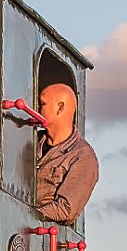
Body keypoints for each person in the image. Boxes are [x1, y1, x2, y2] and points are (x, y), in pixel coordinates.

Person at [33, 82, 98, 225]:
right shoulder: (30, 140)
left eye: (42, 104)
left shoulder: (83, 157)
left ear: (60, 107)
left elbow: (66, 209)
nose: (36, 109)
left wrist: (24, 214)